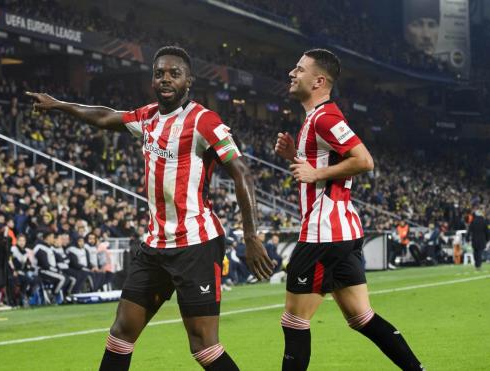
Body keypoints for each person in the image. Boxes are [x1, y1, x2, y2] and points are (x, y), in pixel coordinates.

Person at [27, 45, 275, 371]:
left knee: (203, 345)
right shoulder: (146, 117)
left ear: (189, 81)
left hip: (196, 245)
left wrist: (251, 235)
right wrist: (61, 105)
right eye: (159, 73)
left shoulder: (204, 120)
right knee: (121, 332)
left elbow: (241, 171)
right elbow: (104, 116)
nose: (165, 79)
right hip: (156, 245)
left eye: (175, 73)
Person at [275, 49, 424, 370]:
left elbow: (364, 160)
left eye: (299, 69)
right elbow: (325, 168)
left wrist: (314, 172)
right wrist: (295, 158)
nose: (291, 73)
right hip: (342, 232)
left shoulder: (326, 117)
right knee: (361, 317)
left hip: (323, 234)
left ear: (318, 81)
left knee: (294, 321)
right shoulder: (313, 119)